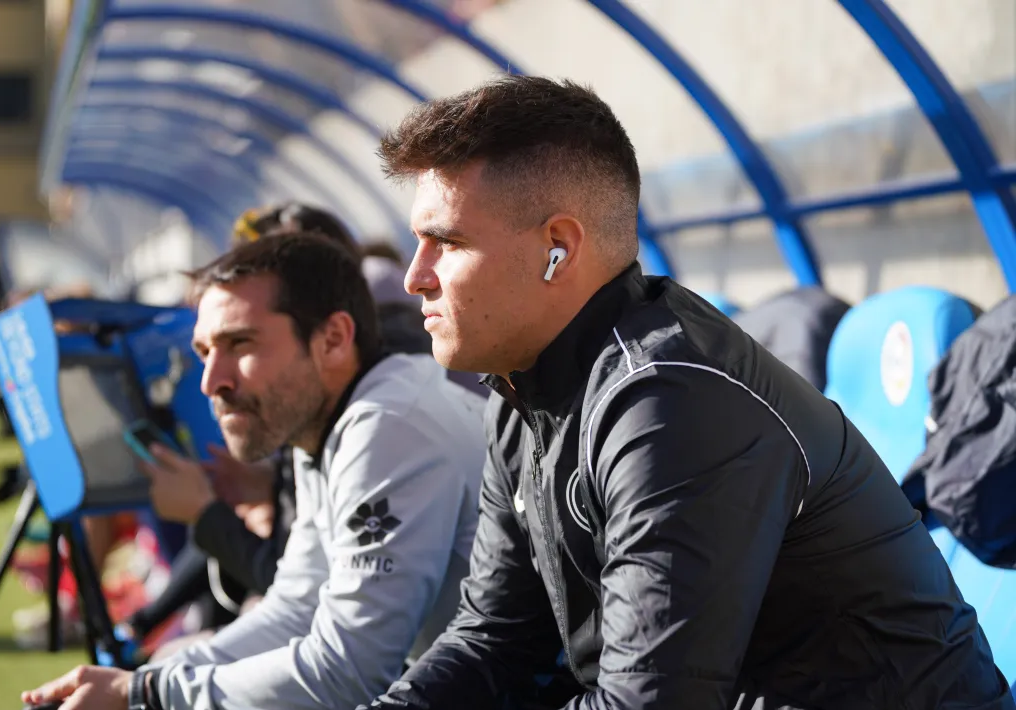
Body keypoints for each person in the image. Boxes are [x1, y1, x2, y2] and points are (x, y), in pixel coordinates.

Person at [362, 76, 1015, 709]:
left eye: (445, 242)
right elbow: (492, 642)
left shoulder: (667, 403)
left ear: (557, 249)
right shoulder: (521, 396)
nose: (416, 276)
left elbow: (646, 702)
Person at [21, 233, 486, 710]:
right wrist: (143, 680)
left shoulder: (387, 425)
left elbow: (348, 671)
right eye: (204, 352)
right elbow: (296, 608)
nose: (211, 382)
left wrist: (144, 693)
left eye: (239, 343)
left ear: (333, 340)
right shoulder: (330, 423)